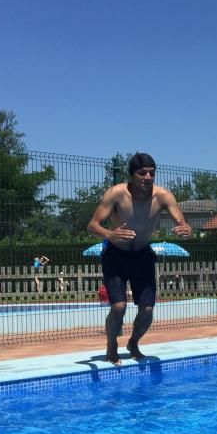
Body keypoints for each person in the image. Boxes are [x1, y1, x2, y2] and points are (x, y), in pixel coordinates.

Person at [87, 152, 192, 364]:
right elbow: (92, 225)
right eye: (142, 173)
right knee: (118, 306)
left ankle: (133, 342)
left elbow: (181, 220)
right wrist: (110, 234)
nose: (147, 177)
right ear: (131, 175)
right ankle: (111, 344)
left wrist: (185, 228)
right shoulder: (116, 194)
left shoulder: (163, 196)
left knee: (147, 309)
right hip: (115, 255)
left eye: (152, 173)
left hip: (143, 254)